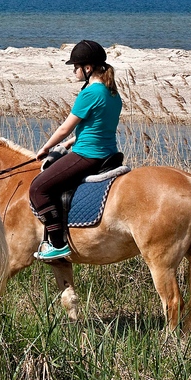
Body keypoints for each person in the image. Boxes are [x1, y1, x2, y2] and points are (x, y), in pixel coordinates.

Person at [29, 40, 122, 261]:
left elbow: (64, 127)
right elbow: (97, 126)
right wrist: (70, 142)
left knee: (38, 189)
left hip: (88, 155)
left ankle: (58, 244)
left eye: (76, 67)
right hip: (109, 153)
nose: (74, 71)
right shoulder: (112, 93)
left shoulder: (90, 93)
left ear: (87, 68)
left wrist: (46, 147)